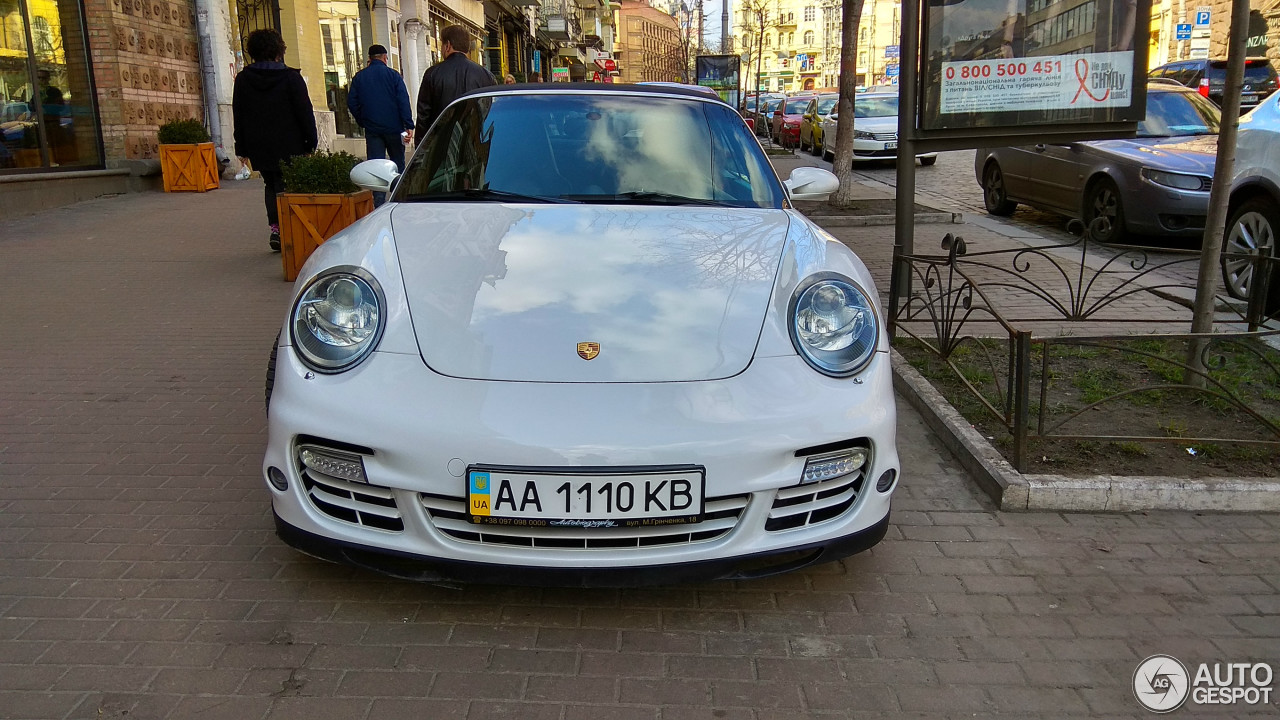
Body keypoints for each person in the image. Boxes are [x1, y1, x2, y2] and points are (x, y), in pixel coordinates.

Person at [232, 29, 317, 252]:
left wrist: (241, 147)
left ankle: (276, 229)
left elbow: (238, 113)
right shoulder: (291, 78)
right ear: (279, 51)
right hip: (291, 142)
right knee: (290, 185)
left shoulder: (243, 79)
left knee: (271, 185)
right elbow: (304, 112)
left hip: (260, 144)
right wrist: (311, 141)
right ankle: (291, 228)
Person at [347, 44, 414, 205]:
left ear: (369, 59)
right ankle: (400, 199)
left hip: (373, 130)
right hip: (394, 128)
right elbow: (403, 101)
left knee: (375, 167)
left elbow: (352, 102)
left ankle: (378, 203)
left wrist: (362, 120)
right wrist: (408, 125)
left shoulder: (359, 77)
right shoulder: (393, 75)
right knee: (398, 163)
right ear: (385, 58)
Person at [413, 25, 496, 141]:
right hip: (474, 142)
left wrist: (421, 150)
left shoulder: (432, 74)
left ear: (448, 46)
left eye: (442, 45)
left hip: (441, 143)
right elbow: (491, 112)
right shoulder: (486, 76)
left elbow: (423, 116)